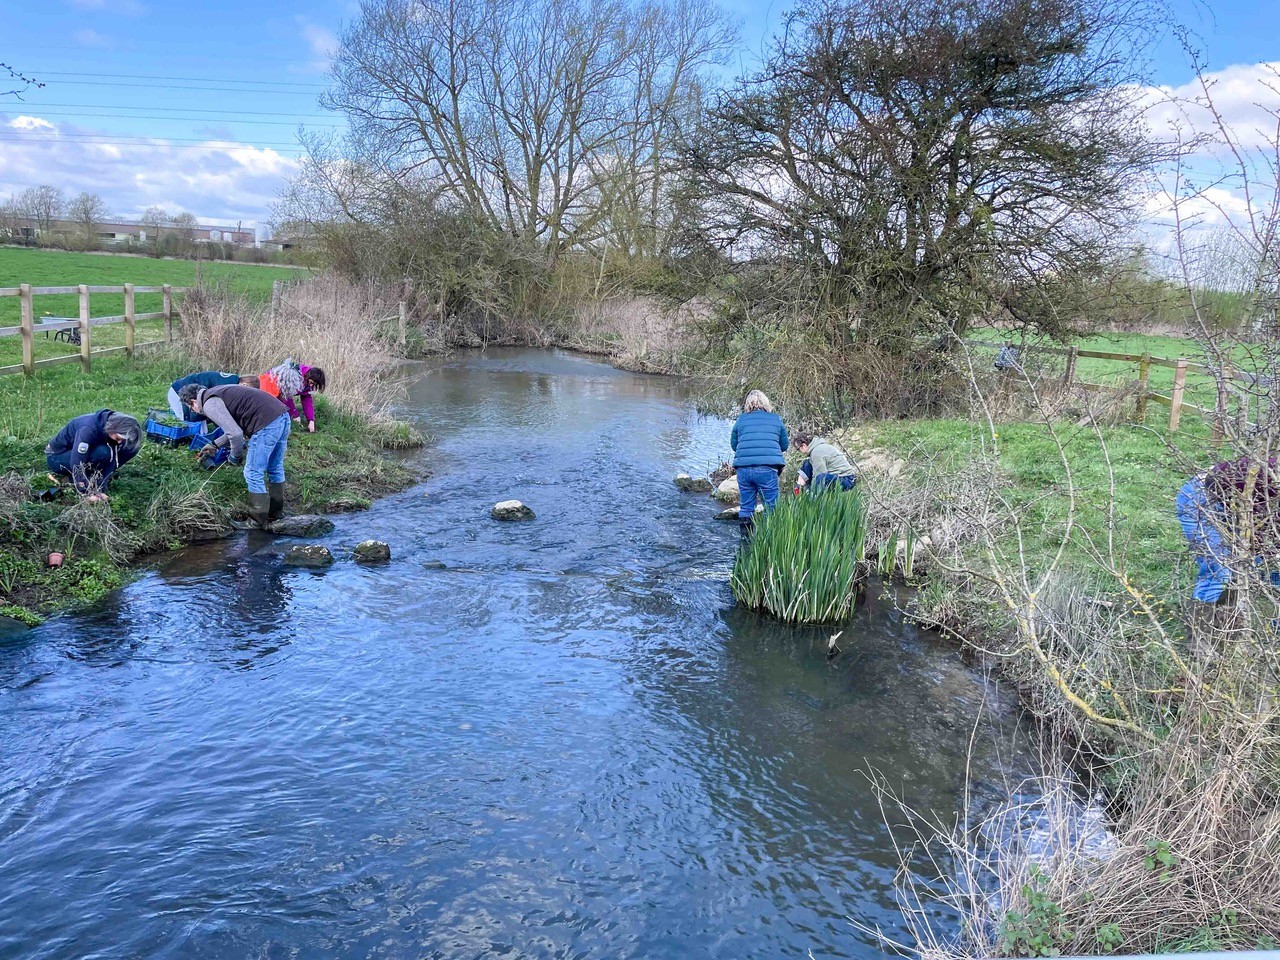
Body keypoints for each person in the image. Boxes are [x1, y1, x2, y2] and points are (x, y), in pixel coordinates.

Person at [179, 382, 291, 527]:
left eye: (191, 407)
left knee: (252, 472)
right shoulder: (218, 392)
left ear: (193, 401)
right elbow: (234, 430)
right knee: (275, 468)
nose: (193, 411)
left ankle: (256, 522)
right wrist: (214, 444)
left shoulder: (209, 404)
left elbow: (236, 435)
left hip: (266, 424)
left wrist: (234, 457)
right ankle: (276, 514)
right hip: (282, 416)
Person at [1176, 455, 1280, 604]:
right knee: (1219, 566)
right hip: (1203, 496)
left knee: (1260, 563)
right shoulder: (1270, 477)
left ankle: (1234, 607)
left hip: (1238, 506)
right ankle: (1203, 618)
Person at [45, 410, 142, 501]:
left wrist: (101, 489)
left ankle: (93, 477)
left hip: (84, 454)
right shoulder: (88, 429)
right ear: (112, 428)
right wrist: (85, 491)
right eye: (118, 438)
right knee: (103, 452)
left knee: (130, 449)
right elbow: (77, 460)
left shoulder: (110, 429)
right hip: (57, 457)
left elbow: (112, 458)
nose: (120, 442)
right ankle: (74, 479)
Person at [730, 389, 789, 535]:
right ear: (765, 402)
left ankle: (745, 542)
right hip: (767, 469)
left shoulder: (741, 420)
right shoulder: (775, 419)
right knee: (771, 506)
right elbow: (784, 445)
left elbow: (734, 445)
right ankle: (770, 542)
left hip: (743, 469)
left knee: (746, 507)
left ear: (748, 404)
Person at [259, 360, 326, 433]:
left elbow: (307, 401)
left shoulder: (309, 382)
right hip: (267, 388)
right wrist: (294, 415)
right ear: (307, 376)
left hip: (278, 393)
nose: (311, 386)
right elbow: (286, 396)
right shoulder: (293, 375)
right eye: (311, 383)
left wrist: (311, 420)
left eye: (314, 384)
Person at [168, 371, 259, 422]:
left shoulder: (233, 381)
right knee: (188, 422)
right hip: (179, 391)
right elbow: (219, 410)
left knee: (201, 422)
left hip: (194, 392)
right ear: (245, 385)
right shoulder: (230, 387)